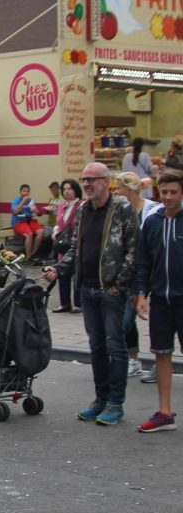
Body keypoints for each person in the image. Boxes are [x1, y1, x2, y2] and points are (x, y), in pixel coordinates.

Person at [44, 162, 138, 426]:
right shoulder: (84, 210)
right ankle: (100, 399)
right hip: (87, 288)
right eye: (83, 179)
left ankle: (115, 403)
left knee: (115, 346)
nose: (86, 184)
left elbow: (133, 250)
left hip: (110, 290)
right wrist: (60, 269)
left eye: (91, 180)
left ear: (105, 182)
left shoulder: (122, 209)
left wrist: (118, 284)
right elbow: (76, 247)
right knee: (96, 347)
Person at [133, 168, 183, 431]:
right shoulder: (152, 222)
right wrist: (141, 294)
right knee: (161, 353)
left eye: (173, 192)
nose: (168, 197)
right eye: (164, 192)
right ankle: (165, 413)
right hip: (161, 300)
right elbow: (143, 262)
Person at [115, 171, 163, 379]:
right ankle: (133, 359)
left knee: (161, 321)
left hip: (155, 271)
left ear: (129, 189)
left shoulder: (152, 209)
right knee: (125, 320)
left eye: (119, 188)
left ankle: (160, 362)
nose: (116, 192)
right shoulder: (120, 210)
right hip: (132, 273)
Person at [51, 179, 84, 314]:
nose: (67, 192)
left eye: (69, 189)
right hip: (63, 244)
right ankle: (64, 303)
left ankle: (78, 303)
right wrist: (56, 230)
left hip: (77, 243)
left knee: (77, 272)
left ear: (75, 190)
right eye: (64, 189)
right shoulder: (62, 206)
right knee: (62, 271)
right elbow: (59, 222)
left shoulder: (82, 205)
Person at [11, 184, 45, 262]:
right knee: (29, 234)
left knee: (41, 232)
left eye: (27, 191)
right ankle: (28, 256)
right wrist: (23, 202)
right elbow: (15, 212)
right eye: (24, 191)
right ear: (20, 192)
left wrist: (36, 211)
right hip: (18, 222)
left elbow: (38, 214)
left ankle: (33, 253)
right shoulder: (16, 200)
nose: (26, 193)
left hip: (29, 220)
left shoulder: (30, 201)